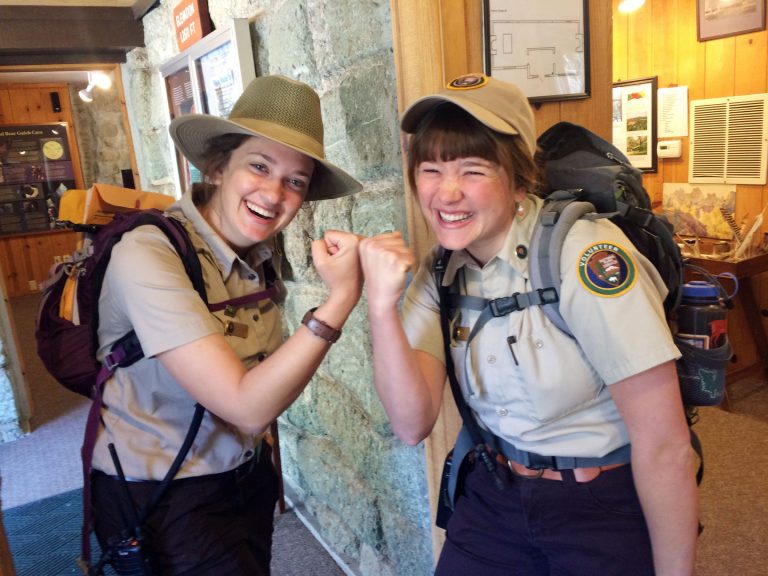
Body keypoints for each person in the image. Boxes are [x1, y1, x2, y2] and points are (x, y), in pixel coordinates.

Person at [359, 73, 698, 575]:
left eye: (473, 170)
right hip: (495, 494)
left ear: (519, 179)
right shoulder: (440, 272)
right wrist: (380, 306)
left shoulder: (582, 254)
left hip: (599, 504)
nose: (446, 193)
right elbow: (412, 425)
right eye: (430, 170)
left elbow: (666, 444)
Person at [89, 75, 363, 575]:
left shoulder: (256, 255)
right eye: (259, 166)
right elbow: (245, 406)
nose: (275, 193)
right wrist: (342, 298)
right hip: (162, 497)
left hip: (240, 478)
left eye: (295, 181)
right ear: (218, 167)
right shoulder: (148, 255)